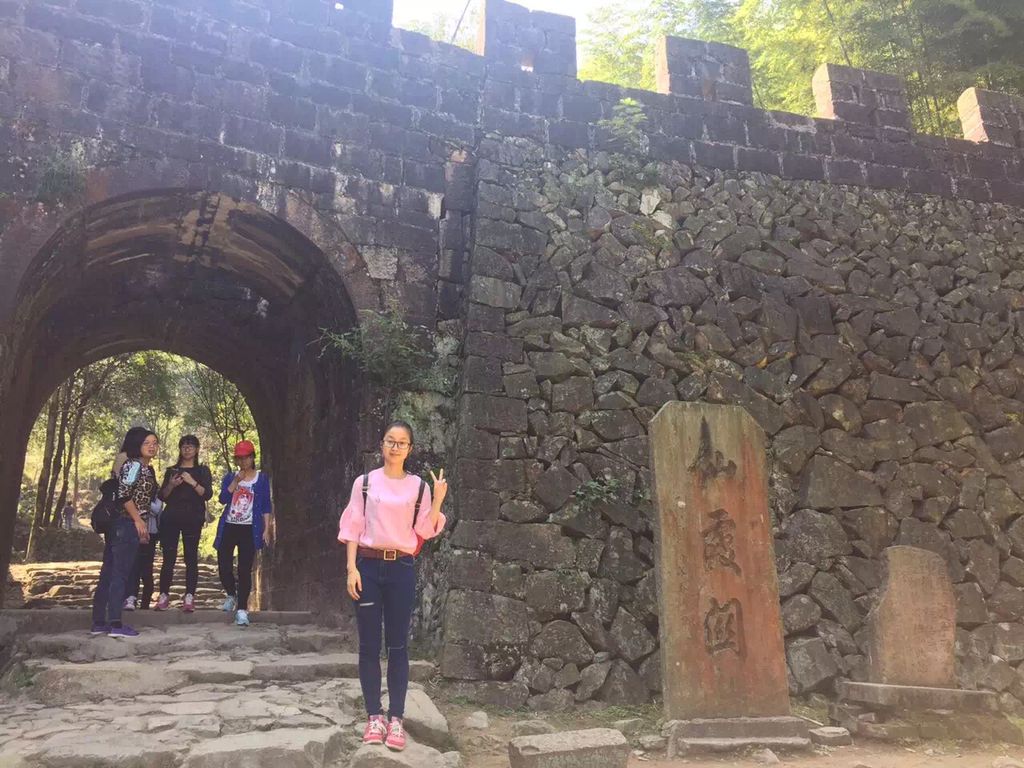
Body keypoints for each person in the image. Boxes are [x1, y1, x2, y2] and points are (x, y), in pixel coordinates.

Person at [337, 420, 448, 752]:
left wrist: (437, 500)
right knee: (369, 645)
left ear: (409, 449)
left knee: (398, 646)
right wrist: (351, 569)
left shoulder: (418, 487)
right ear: (382, 445)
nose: (395, 447)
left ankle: (396, 718)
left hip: (401, 568)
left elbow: (425, 530)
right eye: (390, 441)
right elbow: (353, 528)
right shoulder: (364, 483)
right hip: (368, 567)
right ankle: (375, 716)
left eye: (402, 442)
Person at [90, 427, 158, 638]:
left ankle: (99, 622)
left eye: (155, 443)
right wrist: (138, 521)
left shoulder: (145, 468)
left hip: (126, 524)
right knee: (119, 574)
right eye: (147, 443)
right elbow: (124, 494)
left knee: (109, 572)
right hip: (125, 524)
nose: (152, 446)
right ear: (137, 445)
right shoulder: (134, 465)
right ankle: (115, 623)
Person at [214, 439, 272, 627]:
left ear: (253, 457)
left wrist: (266, 528)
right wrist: (235, 482)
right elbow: (223, 498)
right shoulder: (230, 477)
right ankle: (231, 593)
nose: (243, 461)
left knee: (244, 569)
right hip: (230, 525)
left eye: (246, 457)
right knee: (224, 564)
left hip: (250, 528)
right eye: (239, 458)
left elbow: (266, 505)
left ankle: (241, 609)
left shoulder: (261, 479)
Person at [155, 435, 213, 612]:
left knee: (191, 557)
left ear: (197, 450)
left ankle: (189, 596)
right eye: (184, 446)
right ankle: (163, 595)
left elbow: (207, 494)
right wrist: (172, 485)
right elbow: (162, 496)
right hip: (171, 518)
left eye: (191, 446)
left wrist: (191, 482)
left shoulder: (202, 471)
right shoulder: (172, 470)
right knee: (168, 558)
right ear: (180, 449)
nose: (187, 449)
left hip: (193, 518)